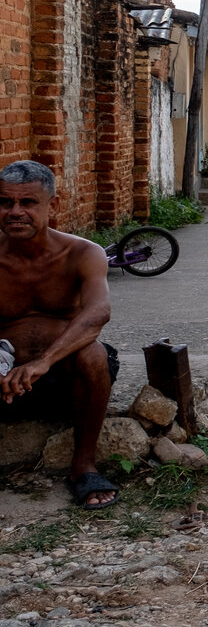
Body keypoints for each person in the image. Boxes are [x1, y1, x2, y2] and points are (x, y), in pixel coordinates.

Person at [0, 161, 118, 509]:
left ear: (54, 204)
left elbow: (98, 313)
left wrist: (43, 362)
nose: (15, 212)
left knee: (94, 352)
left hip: (65, 378)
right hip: (5, 382)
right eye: (6, 202)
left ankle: (84, 467)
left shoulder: (82, 253)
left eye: (28, 203)